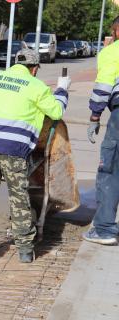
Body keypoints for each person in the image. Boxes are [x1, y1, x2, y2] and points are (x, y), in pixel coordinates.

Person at [0, 49, 71, 269]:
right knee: (19, 200)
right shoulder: (37, 87)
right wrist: (62, 89)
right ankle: (25, 250)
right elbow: (56, 111)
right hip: (15, 150)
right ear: (34, 69)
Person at [83, 16, 119, 246]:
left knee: (110, 169)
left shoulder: (112, 52)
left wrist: (95, 116)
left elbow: (103, 86)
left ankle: (104, 229)